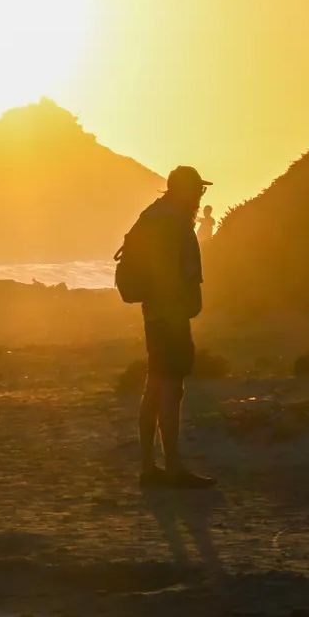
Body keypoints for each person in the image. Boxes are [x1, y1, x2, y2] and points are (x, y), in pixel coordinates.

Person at [124, 166, 216, 489]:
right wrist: (191, 304)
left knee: (154, 385)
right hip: (172, 315)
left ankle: (149, 466)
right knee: (171, 389)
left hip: (153, 314)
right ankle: (174, 466)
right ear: (186, 191)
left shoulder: (152, 216)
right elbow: (186, 274)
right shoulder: (177, 223)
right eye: (198, 191)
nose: (200, 197)